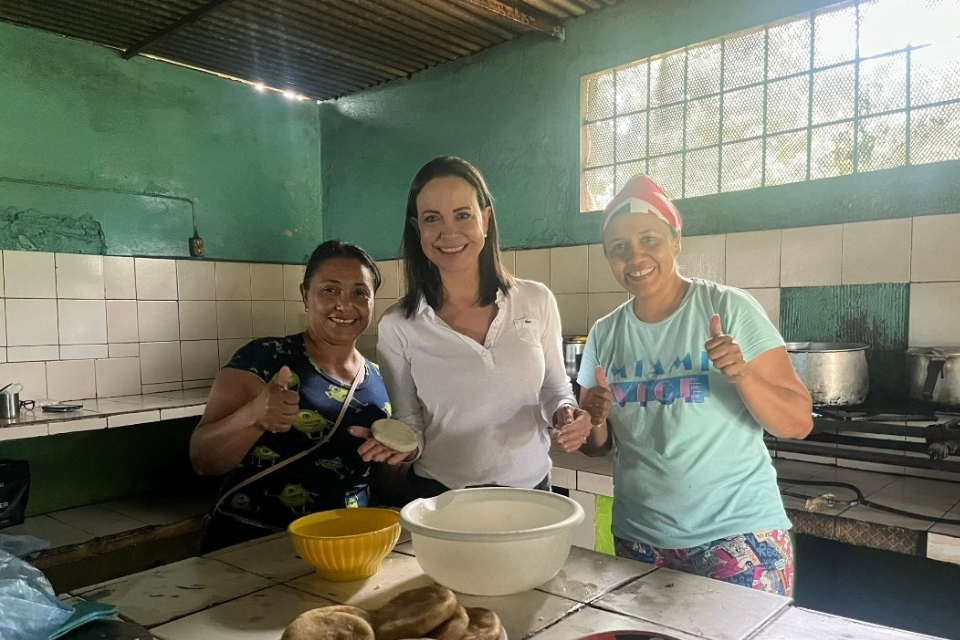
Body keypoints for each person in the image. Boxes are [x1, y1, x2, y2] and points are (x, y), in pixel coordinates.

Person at [577, 174, 812, 596]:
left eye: (649, 239)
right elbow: (597, 444)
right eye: (619, 248)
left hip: (738, 536)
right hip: (641, 538)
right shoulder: (604, 334)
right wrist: (594, 418)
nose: (635, 257)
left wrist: (742, 373)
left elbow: (797, 422)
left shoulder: (727, 308)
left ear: (676, 241)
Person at [350, 156, 593, 498]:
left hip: (530, 493)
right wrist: (402, 448)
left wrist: (568, 414)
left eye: (463, 215)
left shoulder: (536, 300)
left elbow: (555, 389)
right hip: (442, 499)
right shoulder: (398, 325)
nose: (449, 232)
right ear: (418, 228)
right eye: (432, 219)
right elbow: (411, 424)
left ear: (486, 220)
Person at [190, 240, 392, 553]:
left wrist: (400, 456)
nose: (345, 304)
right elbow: (202, 459)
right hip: (253, 545)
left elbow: (382, 480)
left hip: (345, 547)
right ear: (305, 296)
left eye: (359, 292)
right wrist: (254, 416)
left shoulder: (380, 379)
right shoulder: (264, 359)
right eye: (329, 290)